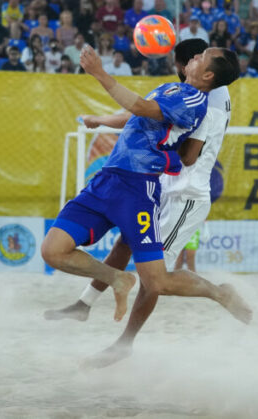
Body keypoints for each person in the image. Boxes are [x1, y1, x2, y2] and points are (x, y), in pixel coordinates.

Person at [44, 39, 243, 366]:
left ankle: (133, 339)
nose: (193, 59)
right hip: (143, 181)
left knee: (156, 279)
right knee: (123, 246)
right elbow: (139, 116)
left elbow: (188, 154)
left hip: (183, 193)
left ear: (201, 72)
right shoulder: (178, 88)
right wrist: (104, 120)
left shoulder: (203, 99)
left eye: (199, 57)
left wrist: (164, 154)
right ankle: (86, 302)